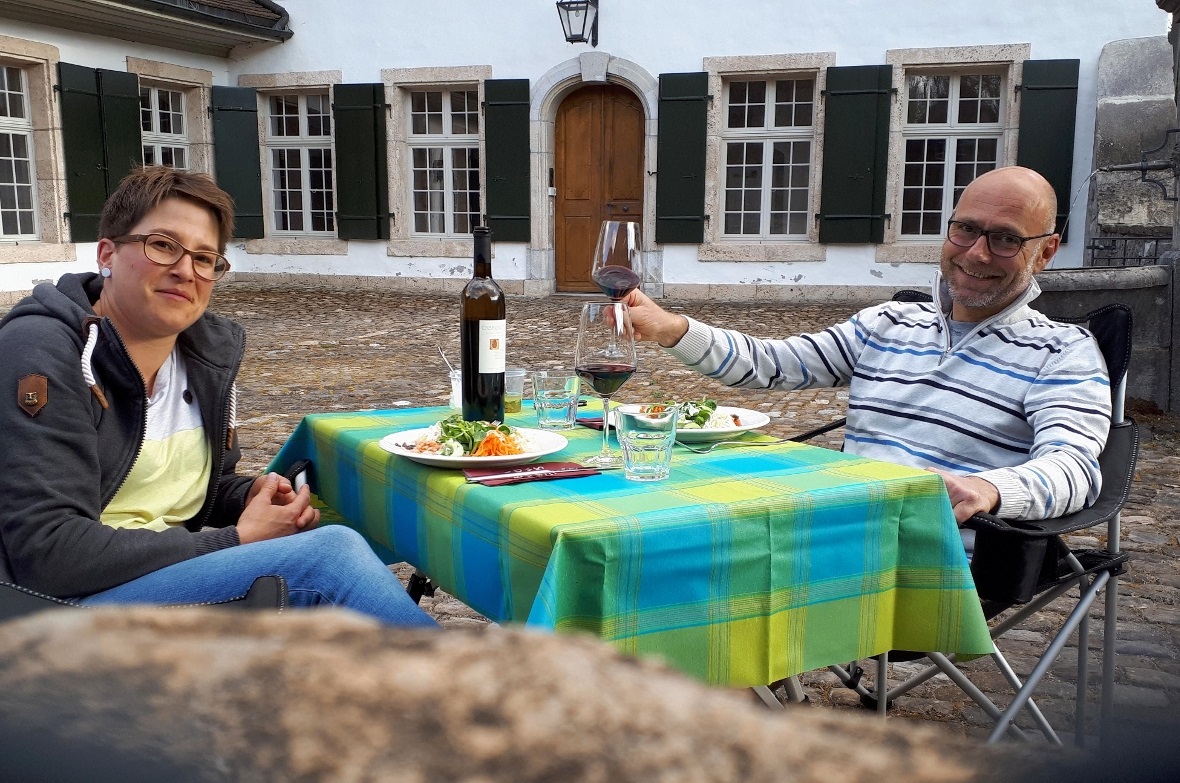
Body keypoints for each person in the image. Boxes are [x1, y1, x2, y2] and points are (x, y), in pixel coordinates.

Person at [0, 166, 435, 627]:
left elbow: (191, 488)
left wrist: (249, 494)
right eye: (162, 245)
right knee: (327, 560)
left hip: (156, 578)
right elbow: (49, 552)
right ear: (107, 253)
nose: (186, 270)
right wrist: (236, 540)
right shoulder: (43, 351)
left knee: (331, 541)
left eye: (205, 258)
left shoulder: (201, 353)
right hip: (49, 608)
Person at [623, 166, 1111, 523]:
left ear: (1045, 251)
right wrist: (670, 328)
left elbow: (1074, 469)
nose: (976, 253)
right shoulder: (888, 322)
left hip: (937, 553)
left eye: (1005, 239)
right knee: (652, 524)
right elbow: (773, 365)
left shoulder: (1062, 352)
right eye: (965, 229)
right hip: (838, 523)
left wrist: (988, 488)